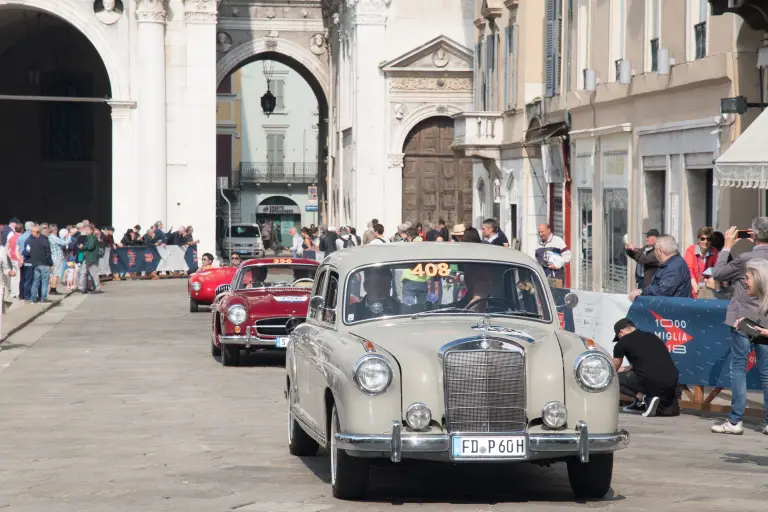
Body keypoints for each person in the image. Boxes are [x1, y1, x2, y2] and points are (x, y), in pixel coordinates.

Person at [710, 221, 768, 435]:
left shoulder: (746, 259)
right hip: (766, 319)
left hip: (742, 320)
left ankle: (735, 420)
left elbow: (718, 274)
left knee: (738, 369)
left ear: (753, 234)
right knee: (767, 373)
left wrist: (727, 246)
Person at [612, 318, 680, 417]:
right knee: (637, 374)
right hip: (672, 383)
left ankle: (644, 398)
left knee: (613, 379)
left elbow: (614, 368)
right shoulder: (652, 337)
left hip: (651, 382)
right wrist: (628, 368)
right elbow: (650, 361)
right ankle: (639, 405)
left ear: (621, 332)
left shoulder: (622, 343)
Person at [629, 235, 692, 301]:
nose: (654, 252)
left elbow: (662, 290)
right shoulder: (671, 263)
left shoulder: (674, 266)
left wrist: (642, 292)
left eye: (654, 249)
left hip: (674, 309)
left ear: (660, 250)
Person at [684, 226, 719, 297]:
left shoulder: (714, 251)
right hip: (692, 287)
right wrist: (694, 286)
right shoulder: (691, 251)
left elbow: (717, 268)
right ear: (698, 239)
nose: (705, 242)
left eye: (708, 239)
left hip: (707, 288)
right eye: (702, 239)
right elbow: (688, 270)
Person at [26, 224, 53, 303]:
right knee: (44, 282)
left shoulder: (33, 241)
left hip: (35, 264)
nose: (48, 233)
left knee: (35, 282)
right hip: (44, 264)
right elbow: (48, 254)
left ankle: (33, 299)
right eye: (47, 232)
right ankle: (43, 299)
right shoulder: (45, 241)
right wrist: (51, 264)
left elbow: (30, 252)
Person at [77, 225, 103, 294]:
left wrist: (83, 247)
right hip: (88, 258)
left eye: (88, 230)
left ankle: (98, 288)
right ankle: (81, 287)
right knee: (83, 272)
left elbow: (91, 247)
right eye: (86, 229)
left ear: (91, 231)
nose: (86, 231)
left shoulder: (92, 237)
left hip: (91, 258)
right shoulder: (89, 237)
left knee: (93, 273)